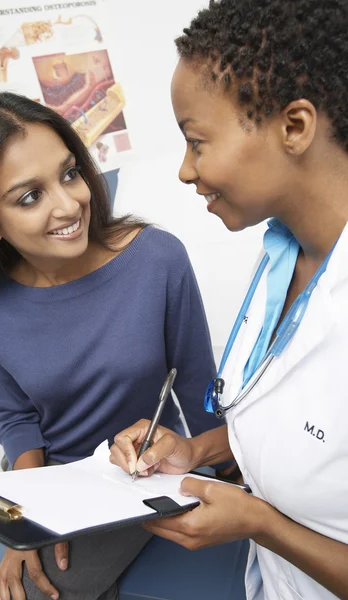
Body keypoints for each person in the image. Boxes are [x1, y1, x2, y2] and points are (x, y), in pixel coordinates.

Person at [110, 1, 348, 599]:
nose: (186, 172)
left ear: (294, 127)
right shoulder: (283, 254)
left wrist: (260, 524)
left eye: (196, 141)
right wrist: (194, 450)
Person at [0, 91, 223, 600]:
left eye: (69, 173)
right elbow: (17, 418)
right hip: (47, 476)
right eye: (29, 196)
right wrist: (21, 516)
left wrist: (228, 479)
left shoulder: (157, 261)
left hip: (137, 470)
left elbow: (199, 387)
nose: (69, 203)